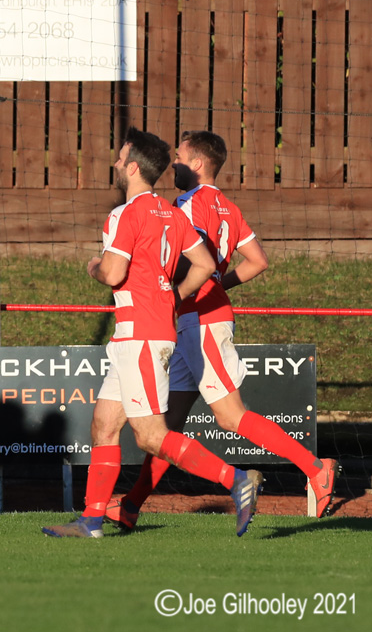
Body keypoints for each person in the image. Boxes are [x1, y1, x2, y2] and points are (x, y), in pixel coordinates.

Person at [105, 131, 340, 529]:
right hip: (194, 319)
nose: (173, 165)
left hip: (201, 321)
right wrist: (218, 284)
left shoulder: (185, 206)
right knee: (167, 428)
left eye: (179, 158)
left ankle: (315, 468)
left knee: (231, 417)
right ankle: (130, 506)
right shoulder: (228, 207)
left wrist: (178, 293)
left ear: (197, 164)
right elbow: (257, 260)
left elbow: (187, 259)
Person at [42, 127, 264, 539]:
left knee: (150, 436)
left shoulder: (125, 214)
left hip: (140, 334)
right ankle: (91, 521)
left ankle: (235, 479)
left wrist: (93, 266)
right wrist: (173, 297)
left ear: (132, 168)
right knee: (104, 425)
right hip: (144, 330)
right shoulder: (171, 213)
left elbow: (113, 273)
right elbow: (205, 264)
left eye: (120, 157)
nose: (115, 162)